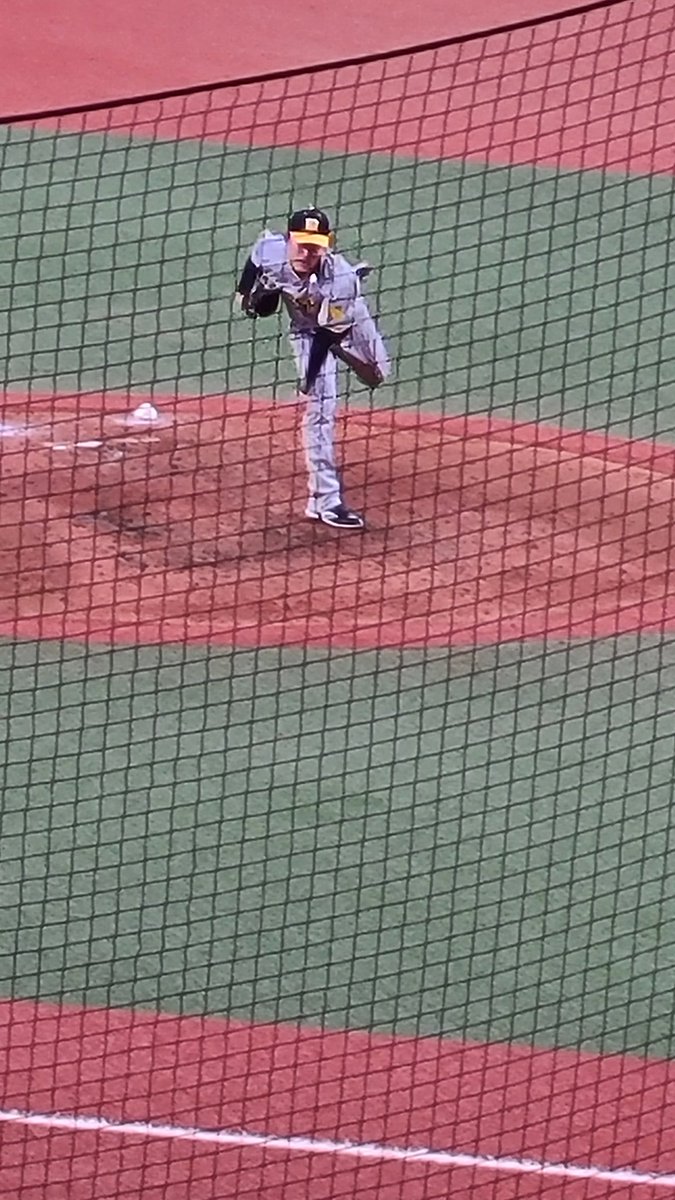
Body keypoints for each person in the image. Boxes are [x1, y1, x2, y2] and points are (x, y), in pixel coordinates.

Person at [235, 206, 391, 530]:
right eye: (302, 244)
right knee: (321, 408)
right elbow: (256, 257)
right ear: (289, 239)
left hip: (345, 323)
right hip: (305, 330)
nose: (307, 253)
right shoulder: (272, 250)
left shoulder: (340, 278)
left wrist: (307, 380)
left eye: (315, 246)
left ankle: (342, 304)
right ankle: (326, 502)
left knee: (377, 374)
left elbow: (325, 339)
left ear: (326, 244)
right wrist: (246, 297)